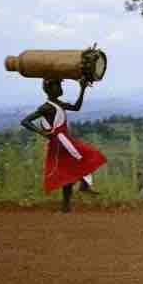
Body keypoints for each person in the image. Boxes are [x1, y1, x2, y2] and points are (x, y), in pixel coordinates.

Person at [21, 77, 106, 213]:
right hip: (60, 142)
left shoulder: (59, 104)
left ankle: (67, 206)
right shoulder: (46, 107)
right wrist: (43, 133)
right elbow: (25, 121)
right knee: (87, 155)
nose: (60, 89)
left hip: (64, 140)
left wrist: (82, 88)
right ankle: (84, 185)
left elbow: (76, 107)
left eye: (60, 86)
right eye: (56, 86)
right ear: (49, 89)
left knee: (69, 171)